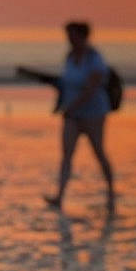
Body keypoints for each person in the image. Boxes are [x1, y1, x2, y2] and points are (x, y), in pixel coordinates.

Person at [39, 21, 115, 209]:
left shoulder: (94, 58)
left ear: (82, 36)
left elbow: (92, 88)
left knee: (98, 151)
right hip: (72, 114)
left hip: (93, 113)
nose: (69, 39)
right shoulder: (70, 57)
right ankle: (60, 196)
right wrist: (62, 105)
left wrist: (72, 106)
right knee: (66, 154)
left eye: (72, 35)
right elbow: (65, 84)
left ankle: (111, 193)